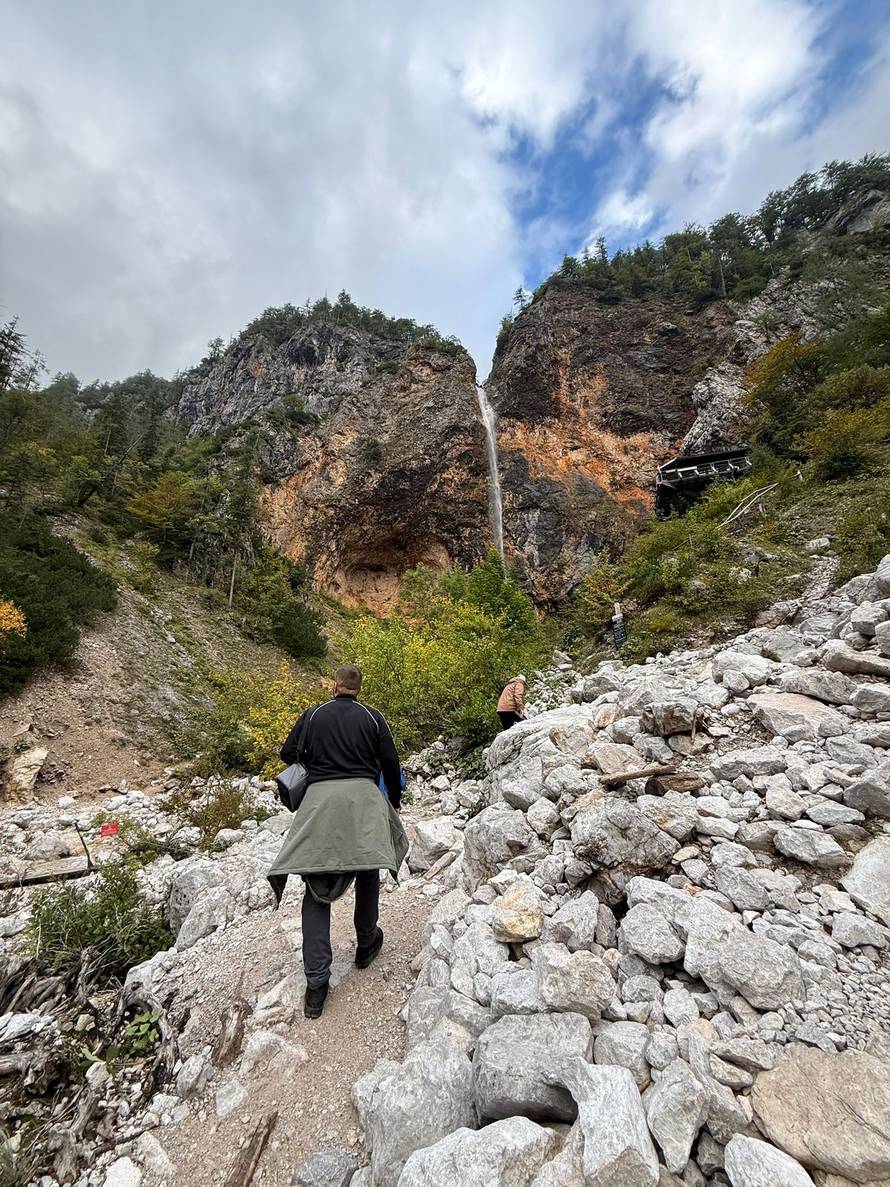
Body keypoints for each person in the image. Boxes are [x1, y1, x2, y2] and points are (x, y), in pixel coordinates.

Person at [267, 665, 409, 1019]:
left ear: (335, 685)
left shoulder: (313, 714)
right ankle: (365, 943)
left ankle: (316, 985)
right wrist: (394, 799)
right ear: (359, 689)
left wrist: (315, 761)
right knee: (366, 869)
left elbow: (288, 753)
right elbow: (391, 763)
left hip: (320, 802)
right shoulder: (372, 717)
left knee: (316, 886)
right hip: (363, 798)